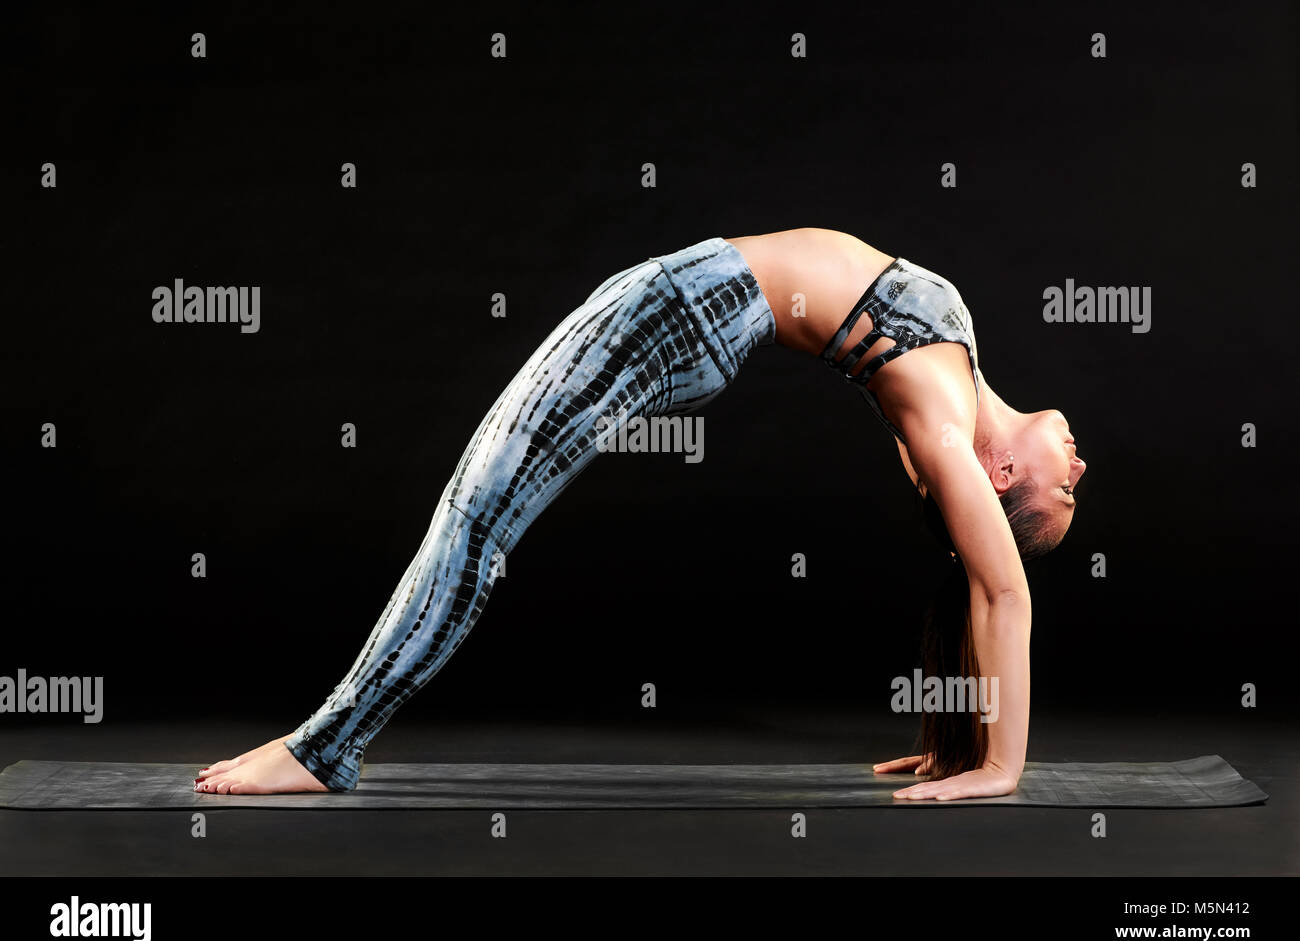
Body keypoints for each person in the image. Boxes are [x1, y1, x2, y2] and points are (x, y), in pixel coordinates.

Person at [195, 227, 1086, 801]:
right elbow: (978, 578)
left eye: (1065, 491)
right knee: (475, 515)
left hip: (672, 320)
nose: (1081, 466)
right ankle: (329, 742)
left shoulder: (943, 418)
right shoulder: (959, 375)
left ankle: (324, 747)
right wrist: (963, 742)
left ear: (999, 472)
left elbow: (999, 592)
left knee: (474, 521)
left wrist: (1000, 766)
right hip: (672, 305)